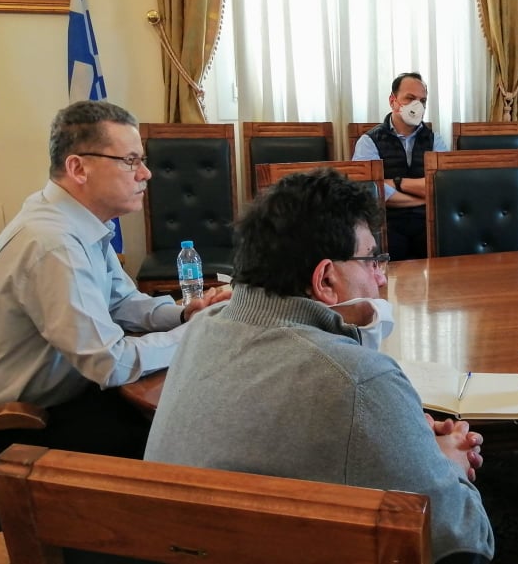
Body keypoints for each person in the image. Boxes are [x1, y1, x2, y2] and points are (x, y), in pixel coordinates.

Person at [144, 169, 494, 563]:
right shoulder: (359, 379)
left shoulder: (198, 331)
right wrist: (448, 463)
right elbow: (463, 538)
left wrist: (404, 434)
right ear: (325, 279)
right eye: (371, 260)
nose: (380, 278)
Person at [0, 100, 230, 460]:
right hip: (11, 423)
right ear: (78, 168)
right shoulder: (53, 243)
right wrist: (194, 334)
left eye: (142, 160)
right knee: (182, 440)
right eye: (130, 160)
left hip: (64, 392)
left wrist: (184, 314)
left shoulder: (74, 220)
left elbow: (121, 302)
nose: (146, 173)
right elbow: (110, 363)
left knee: (183, 411)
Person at [351, 71, 449, 261]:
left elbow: (442, 187)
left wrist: (396, 183)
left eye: (422, 101)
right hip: (386, 223)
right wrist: (423, 197)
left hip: (428, 221)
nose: (417, 106)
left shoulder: (435, 140)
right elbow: (371, 192)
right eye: (410, 98)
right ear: (393, 101)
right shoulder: (369, 141)